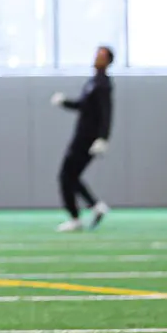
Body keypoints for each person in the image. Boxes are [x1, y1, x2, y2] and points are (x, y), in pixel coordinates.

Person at [51, 45, 115, 232]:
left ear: (108, 60)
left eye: (101, 56)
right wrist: (64, 102)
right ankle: (94, 206)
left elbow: (107, 112)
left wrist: (103, 137)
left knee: (66, 175)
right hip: (83, 135)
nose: (97, 58)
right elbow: (83, 106)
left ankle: (77, 217)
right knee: (70, 176)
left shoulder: (103, 84)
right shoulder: (93, 82)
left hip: (88, 137)